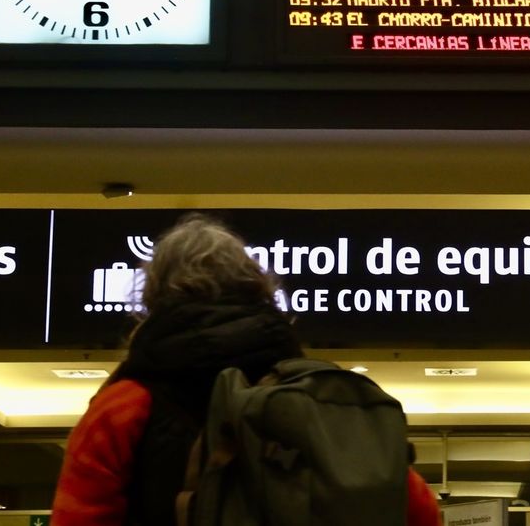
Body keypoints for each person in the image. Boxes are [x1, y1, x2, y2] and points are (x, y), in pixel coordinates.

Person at [51, 213, 440, 526]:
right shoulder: (325, 400)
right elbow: (419, 511)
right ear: (261, 288)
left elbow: (77, 516)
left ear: (152, 298)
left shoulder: (126, 407)